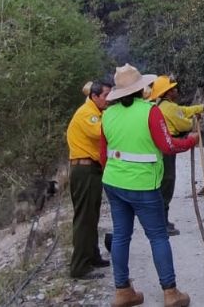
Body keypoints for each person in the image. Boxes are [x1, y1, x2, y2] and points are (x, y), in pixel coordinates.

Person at [99, 64, 199, 307]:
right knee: (157, 236)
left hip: (113, 182)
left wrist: (115, 176)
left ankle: (123, 291)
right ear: (141, 88)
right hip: (143, 184)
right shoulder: (149, 112)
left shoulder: (108, 114)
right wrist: (190, 141)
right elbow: (168, 146)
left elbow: (103, 154)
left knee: (122, 235)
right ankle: (170, 292)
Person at [147, 75, 204, 235]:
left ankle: (162, 220)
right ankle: (161, 224)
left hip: (161, 148)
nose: (177, 90)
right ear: (167, 92)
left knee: (163, 182)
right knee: (167, 182)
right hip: (167, 148)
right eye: (173, 88)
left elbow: (183, 111)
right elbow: (182, 122)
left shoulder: (164, 105)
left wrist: (202, 107)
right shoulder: (168, 108)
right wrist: (194, 121)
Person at [66, 80, 112, 279]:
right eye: (106, 96)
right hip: (84, 170)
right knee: (84, 218)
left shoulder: (96, 112)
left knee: (91, 216)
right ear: (94, 97)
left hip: (91, 169)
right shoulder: (87, 114)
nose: (109, 100)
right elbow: (101, 132)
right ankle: (79, 267)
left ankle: (92, 256)